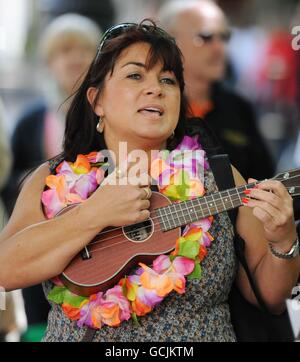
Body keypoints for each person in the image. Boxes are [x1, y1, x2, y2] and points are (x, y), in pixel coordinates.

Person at [0, 21, 299, 342]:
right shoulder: (52, 179)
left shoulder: (220, 177)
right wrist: (94, 213)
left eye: (168, 80)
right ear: (96, 100)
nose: (156, 88)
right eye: (135, 75)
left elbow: (269, 296)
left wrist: (283, 241)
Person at [1, 13, 101, 341]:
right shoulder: (32, 120)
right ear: (49, 62)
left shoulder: (108, 116)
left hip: (99, 247)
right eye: (64, 50)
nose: (74, 58)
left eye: (83, 49)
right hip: (41, 246)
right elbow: (11, 179)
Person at [158, 0, 275, 181]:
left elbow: (266, 179)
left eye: (224, 37)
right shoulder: (153, 105)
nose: (219, 48)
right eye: (205, 37)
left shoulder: (239, 108)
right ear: (170, 42)